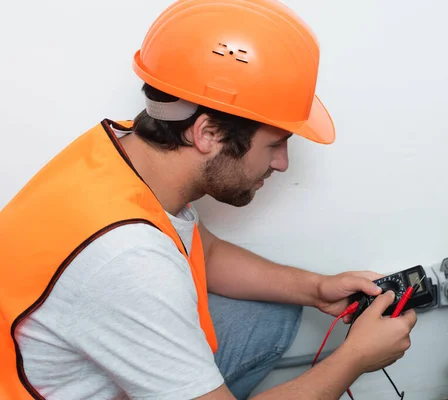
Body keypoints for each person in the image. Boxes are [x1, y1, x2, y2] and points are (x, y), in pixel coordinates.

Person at [0, 0, 418, 399]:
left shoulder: (124, 150)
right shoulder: (130, 261)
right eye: (275, 143)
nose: (283, 163)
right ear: (208, 134)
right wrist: (353, 359)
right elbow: (137, 267)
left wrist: (315, 289)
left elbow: (203, 250)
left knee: (272, 312)